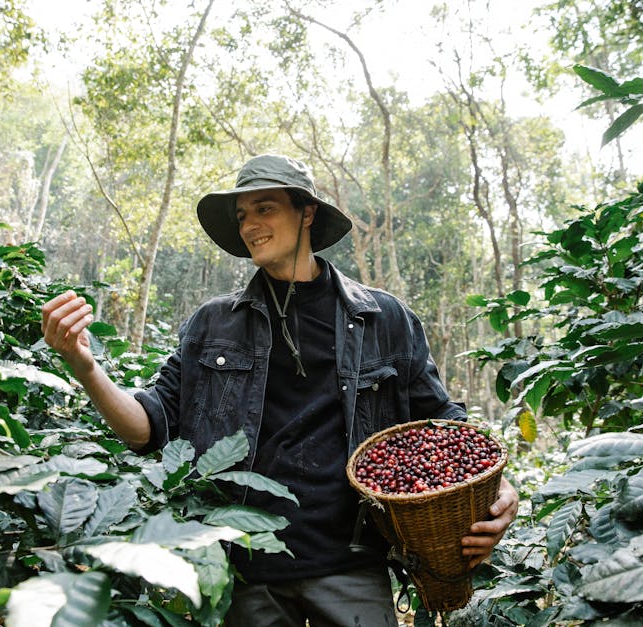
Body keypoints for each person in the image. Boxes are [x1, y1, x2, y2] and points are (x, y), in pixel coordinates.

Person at [41, 154, 519, 626]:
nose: (250, 225)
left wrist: (502, 490)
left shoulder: (383, 319)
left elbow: (442, 423)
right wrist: (86, 368)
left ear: (307, 212)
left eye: (265, 208)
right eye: (242, 215)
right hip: (248, 568)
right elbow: (146, 427)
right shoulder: (212, 324)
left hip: (351, 562)